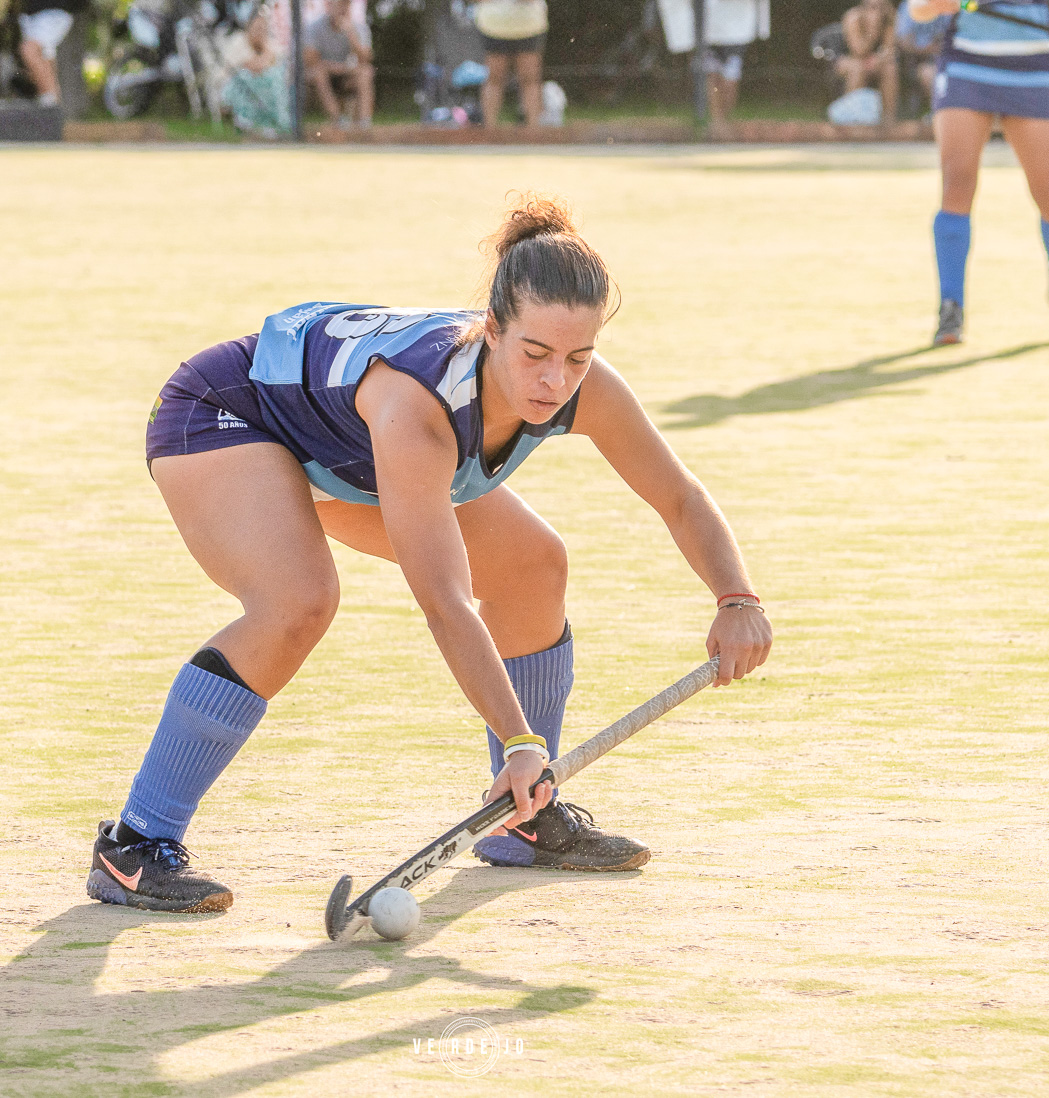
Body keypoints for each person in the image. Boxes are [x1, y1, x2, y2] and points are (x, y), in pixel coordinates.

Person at [88, 195, 774, 914]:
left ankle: (526, 820)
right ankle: (135, 846)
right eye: (534, 354)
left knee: (532, 565)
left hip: (346, 453)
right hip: (230, 414)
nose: (553, 381)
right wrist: (520, 740)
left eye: (578, 358)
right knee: (297, 601)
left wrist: (737, 599)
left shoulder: (579, 387)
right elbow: (444, 601)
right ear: (492, 330)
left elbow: (679, 496)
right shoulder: (419, 408)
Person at [908, 0, 1049, 344]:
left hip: (1034, 70)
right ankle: (950, 309)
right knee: (957, 187)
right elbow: (917, 10)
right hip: (965, 66)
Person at [657, 0, 772, 134]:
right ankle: (718, 121)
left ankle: (722, 121)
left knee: (728, 75)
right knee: (714, 74)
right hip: (713, 28)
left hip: (734, 27)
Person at [473, 0, 547, 126]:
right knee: (494, 78)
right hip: (494, 26)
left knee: (530, 79)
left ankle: (534, 130)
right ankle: (489, 130)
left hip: (529, 26)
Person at [303, 0, 374, 129]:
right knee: (318, 72)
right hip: (322, 75)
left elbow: (366, 59)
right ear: (329, 6)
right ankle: (338, 120)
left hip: (345, 74)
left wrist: (351, 35)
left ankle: (364, 123)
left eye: (346, 5)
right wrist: (337, 67)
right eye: (340, 4)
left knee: (366, 72)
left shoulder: (358, 27)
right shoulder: (314, 27)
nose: (343, 8)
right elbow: (311, 61)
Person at [224, 9, 292, 137]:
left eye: (263, 29)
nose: (259, 32)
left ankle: (276, 124)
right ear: (248, 28)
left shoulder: (270, 44)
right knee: (246, 77)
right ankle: (246, 123)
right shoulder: (238, 41)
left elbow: (279, 64)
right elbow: (249, 67)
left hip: (266, 89)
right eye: (256, 28)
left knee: (276, 77)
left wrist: (265, 51)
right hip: (238, 87)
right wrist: (266, 57)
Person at [835, 0, 898, 124]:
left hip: (875, 60)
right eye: (873, 7)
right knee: (858, 68)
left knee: (890, 68)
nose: (877, 12)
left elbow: (889, 49)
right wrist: (872, 30)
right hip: (848, 59)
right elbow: (858, 51)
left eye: (881, 7)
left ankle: (888, 119)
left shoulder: (889, 19)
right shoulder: (853, 17)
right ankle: (852, 116)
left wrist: (878, 59)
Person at [17, 0, 83, 107]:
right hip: (32, 14)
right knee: (45, 61)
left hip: (52, 11)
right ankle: (53, 108)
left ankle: (49, 103)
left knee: (29, 50)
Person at [895, 0, 945, 114]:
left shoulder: (948, 5)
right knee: (928, 74)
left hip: (946, 60)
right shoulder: (909, 6)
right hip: (918, 62)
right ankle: (937, 115)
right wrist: (927, 49)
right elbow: (903, 42)